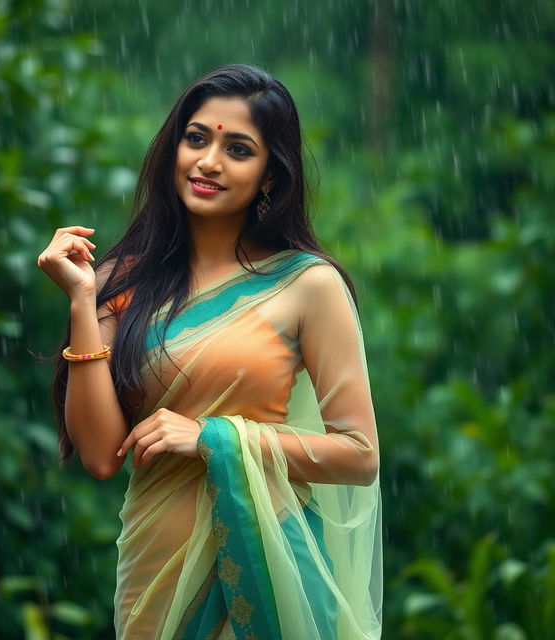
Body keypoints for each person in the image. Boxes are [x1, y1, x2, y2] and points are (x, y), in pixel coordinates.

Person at [37, 63, 382, 640]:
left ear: (270, 176)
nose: (208, 162)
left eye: (238, 149)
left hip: (269, 564)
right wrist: (81, 301)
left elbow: (360, 453)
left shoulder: (307, 285)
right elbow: (100, 456)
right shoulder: (123, 280)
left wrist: (212, 439)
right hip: (152, 573)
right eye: (196, 138)